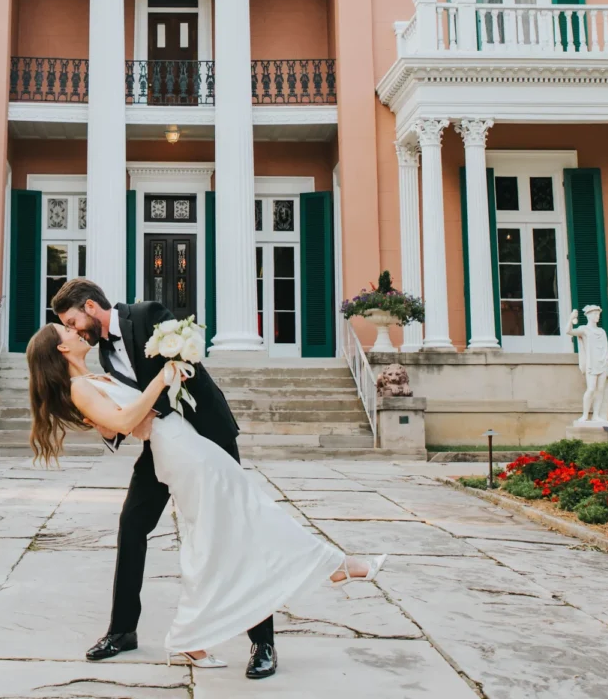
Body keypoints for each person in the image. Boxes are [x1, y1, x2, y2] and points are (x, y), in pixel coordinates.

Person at [36, 282, 383, 679]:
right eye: (68, 328)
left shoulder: (147, 314)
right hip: (164, 448)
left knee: (240, 530)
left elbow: (189, 366)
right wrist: (103, 421)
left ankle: (262, 642)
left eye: (74, 321)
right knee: (132, 526)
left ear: (91, 306)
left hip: (204, 435)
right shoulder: (101, 355)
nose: (76, 330)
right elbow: (121, 416)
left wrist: (157, 389)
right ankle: (122, 631)